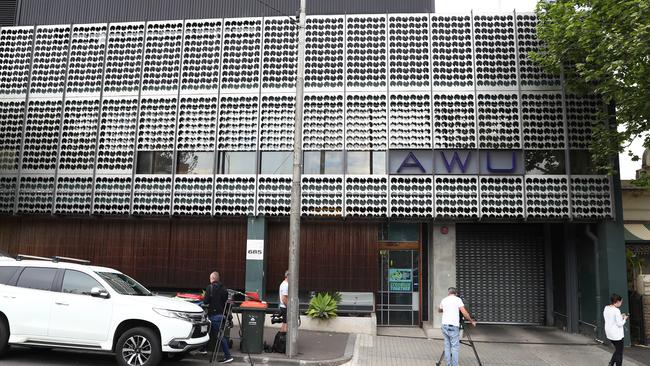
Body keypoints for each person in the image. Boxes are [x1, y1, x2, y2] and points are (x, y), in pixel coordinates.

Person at [438, 287, 476, 366]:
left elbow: (439, 310)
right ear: (456, 293)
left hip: (444, 325)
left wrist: (446, 308)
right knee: (455, 347)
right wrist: (471, 321)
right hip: (453, 326)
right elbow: (464, 312)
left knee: (447, 346)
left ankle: (449, 364)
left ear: (448, 293)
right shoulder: (458, 300)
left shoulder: (444, 300)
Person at [202, 271, 233, 364]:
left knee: (217, 335)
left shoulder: (210, 287)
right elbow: (226, 303)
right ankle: (203, 349)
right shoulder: (224, 289)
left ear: (212, 278)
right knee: (211, 332)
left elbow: (206, 301)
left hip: (214, 316)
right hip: (222, 315)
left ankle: (228, 356)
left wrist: (206, 297)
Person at [604, 293, 628, 366]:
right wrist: (625, 319)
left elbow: (611, 319)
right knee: (619, 353)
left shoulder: (606, 308)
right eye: (621, 302)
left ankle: (611, 363)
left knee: (617, 350)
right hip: (617, 335)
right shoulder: (616, 310)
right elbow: (619, 324)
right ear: (617, 301)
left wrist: (620, 316)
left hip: (609, 333)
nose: (621, 303)